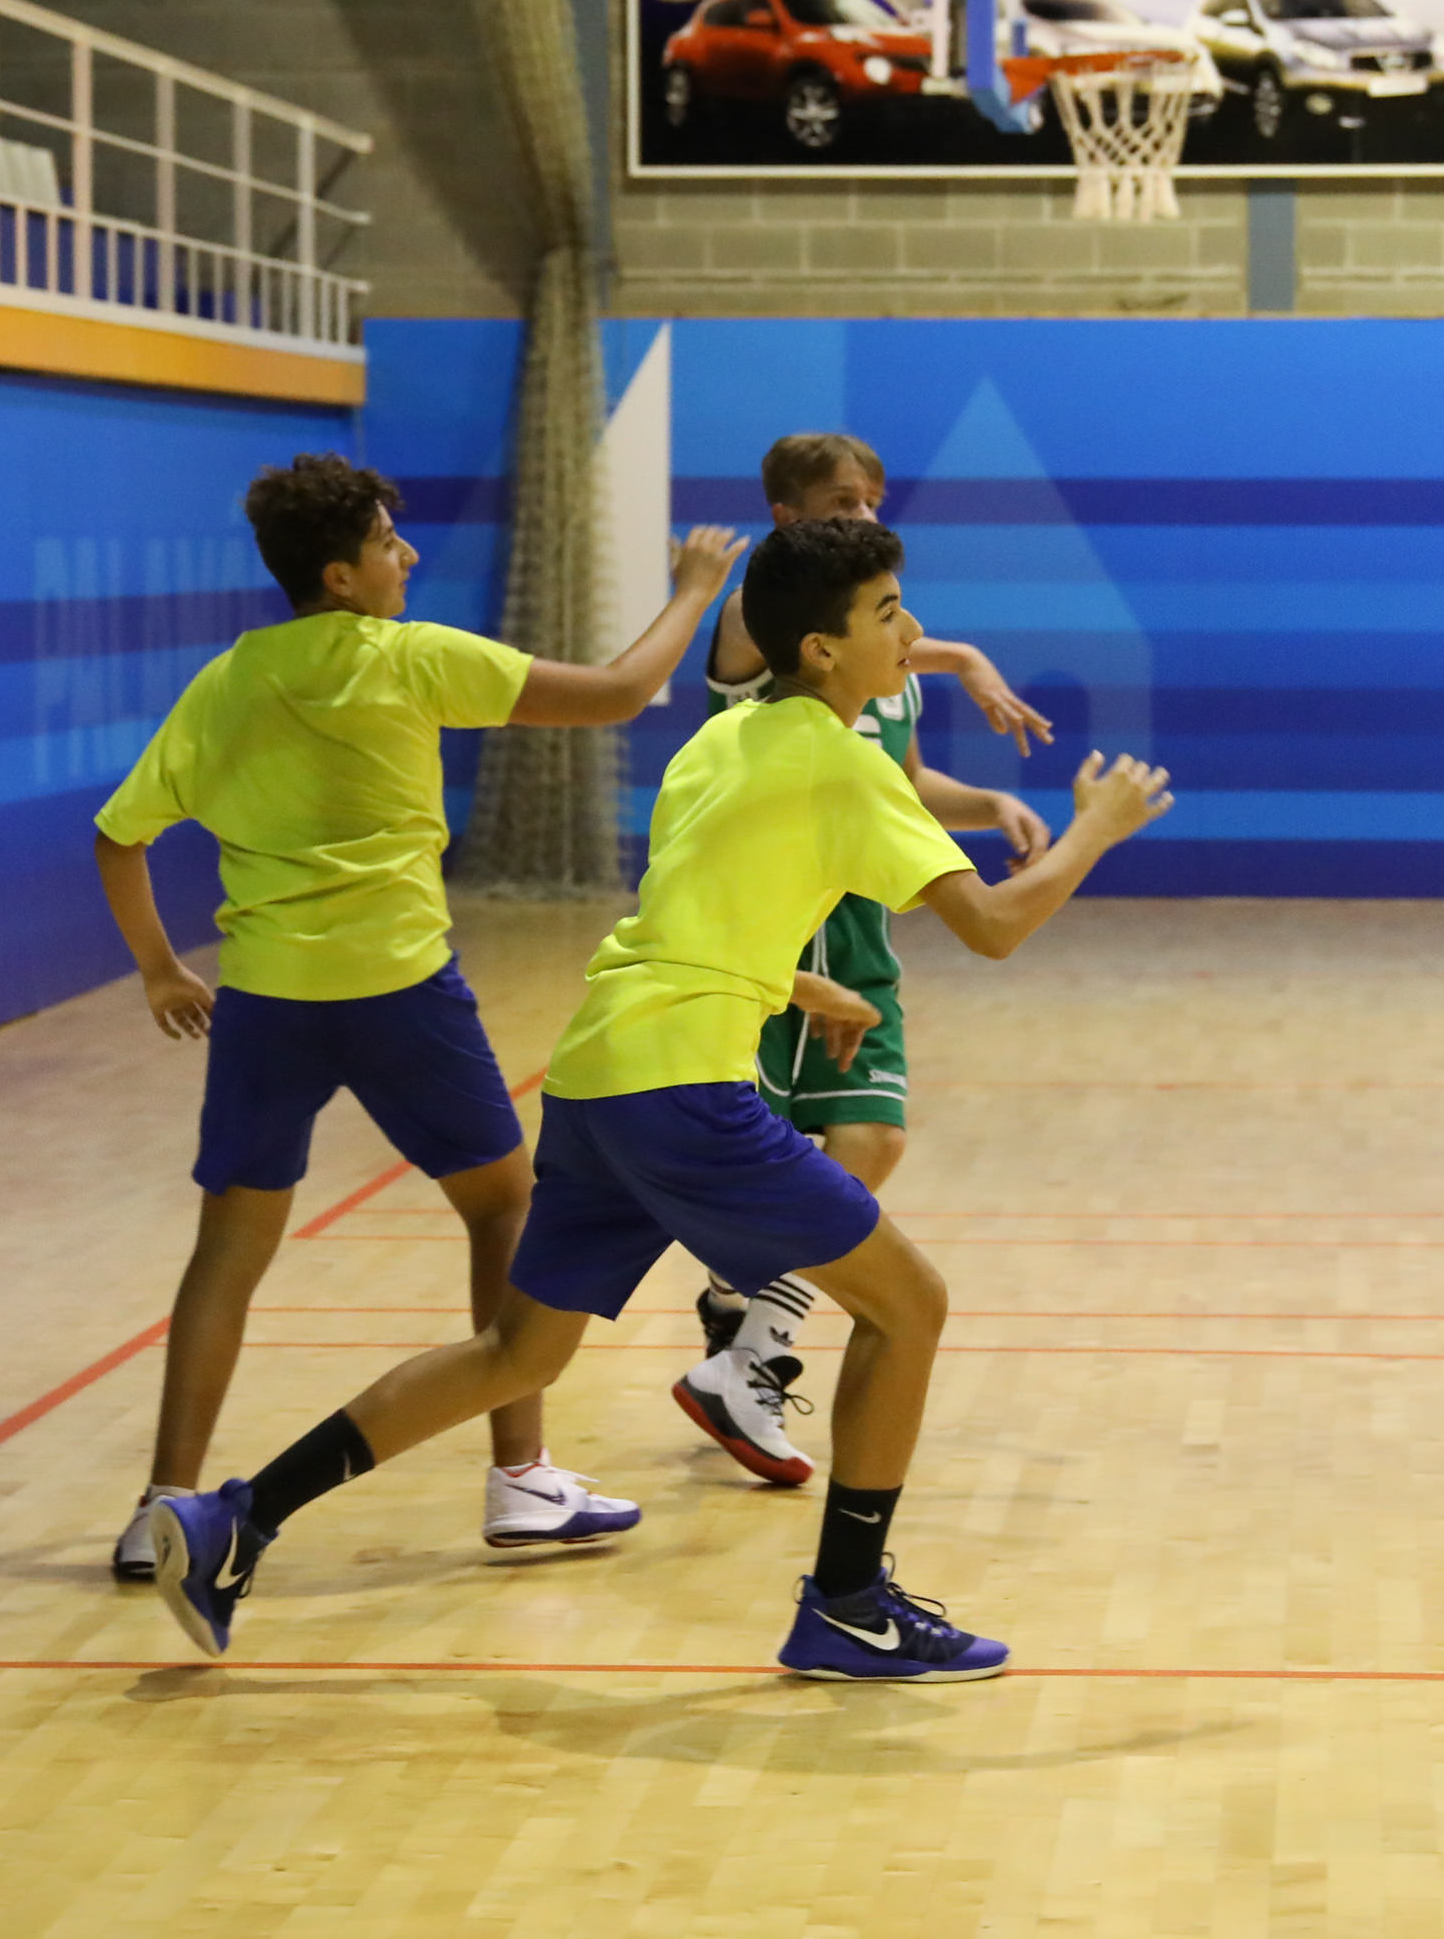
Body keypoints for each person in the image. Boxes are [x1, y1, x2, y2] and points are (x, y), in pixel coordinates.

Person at [145, 516, 1172, 1682]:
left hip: (597, 1073)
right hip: (685, 1087)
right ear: (822, 649)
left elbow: (689, 914)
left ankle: (234, 1519)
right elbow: (989, 925)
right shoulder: (845, 760)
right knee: (909, 1308)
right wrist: (1094, 830)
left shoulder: (721, 740)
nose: (913, 631)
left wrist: (792, 981)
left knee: (516, 1354)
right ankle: (849, 1604)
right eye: (888, 614)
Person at [92, 452, 745, 1570]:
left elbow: (119, 838)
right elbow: (619, 692)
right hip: (400, 993)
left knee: (227, 1251)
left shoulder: (227, 682)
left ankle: (162, 1508)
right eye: (388, 543)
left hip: (266, 1004)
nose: (408, 555)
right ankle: (521, 1478)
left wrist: (159, 969)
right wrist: (692, 589)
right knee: (505, 1206)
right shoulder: (410, 657)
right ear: (341, 576)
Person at [674, 431, 1054, 1482]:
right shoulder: (760, 628)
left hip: (857, 935)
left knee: (865, 1140)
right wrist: (964, 656)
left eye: (875, 497)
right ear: (787, 517)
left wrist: (992, 803)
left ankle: (746, 1337)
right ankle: (743, 1319)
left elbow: (909, 785)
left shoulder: (888, 671)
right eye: (844, 499)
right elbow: (760, 608)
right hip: (777, 939)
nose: (869, 512)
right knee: (793, 1164)